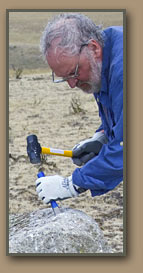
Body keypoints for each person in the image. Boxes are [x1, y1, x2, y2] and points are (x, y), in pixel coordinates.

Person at [35, 13, 123, 204]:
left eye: (73, 73)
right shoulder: (102, 61)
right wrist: (102, 137)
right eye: (64, 78)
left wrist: (72, 184)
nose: (72, 84)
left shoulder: (125, 71)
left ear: (93, 48)